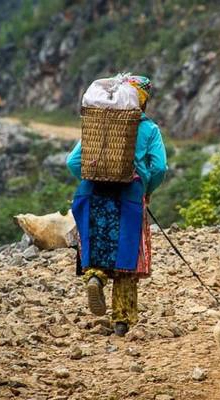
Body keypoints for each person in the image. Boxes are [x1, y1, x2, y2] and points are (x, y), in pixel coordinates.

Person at [66, 75, 167, 336]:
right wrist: (146, 188)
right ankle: (122, 323)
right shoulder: (149, 129)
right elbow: (159, 167)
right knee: (126, 258)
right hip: (129, 197)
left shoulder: (98, 124)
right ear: (142, 102)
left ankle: (96, 278)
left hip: (91, 194)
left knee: (97, 247)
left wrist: (94, 176)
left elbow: (72, 162)